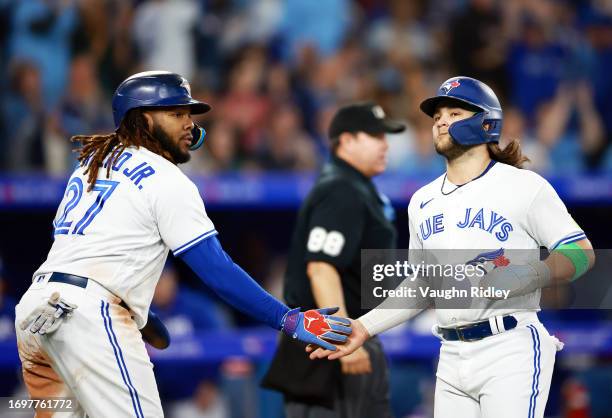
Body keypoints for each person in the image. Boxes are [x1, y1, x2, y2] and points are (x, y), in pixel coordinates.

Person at [14, 71, 351, 417]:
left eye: (189, 114)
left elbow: (97, 253)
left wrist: (140, 314)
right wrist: (288, 319)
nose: (189, 123)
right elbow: (216, 269)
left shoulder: (91, 165)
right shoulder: (165, 177)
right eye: (176, 114)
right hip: (89, 315)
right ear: (143, 119)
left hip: (37, 310)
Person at [309, 77, 596, 418]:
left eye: (454, 113)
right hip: (451, 353)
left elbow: (581, 253)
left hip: (510, 344)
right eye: (437, 117)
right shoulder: (422, 201)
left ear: (486, 122)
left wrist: (532, 273)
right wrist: (362, 327)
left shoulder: (524, 186)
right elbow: (422, 285)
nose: (441, 121)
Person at [262, 103, 404, 418]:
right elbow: (321, 268)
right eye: (375, 135)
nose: (385, 144)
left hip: (348, 338)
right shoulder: (341, 189)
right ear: (347, 141)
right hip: (330, 347)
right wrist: (339, 338)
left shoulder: (357, 187)